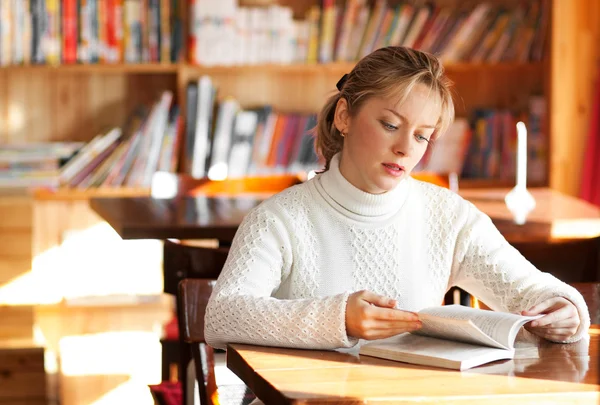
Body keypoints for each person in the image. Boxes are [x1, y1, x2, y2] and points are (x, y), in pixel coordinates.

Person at [204, 46, 590, 351]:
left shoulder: (450, 217)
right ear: (344, 116)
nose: (406, 147)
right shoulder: (279, 219)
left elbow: (530, 291)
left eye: (422, 135)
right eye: (390, 125)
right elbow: (223, 316)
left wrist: (563, 309)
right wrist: (339, 319)